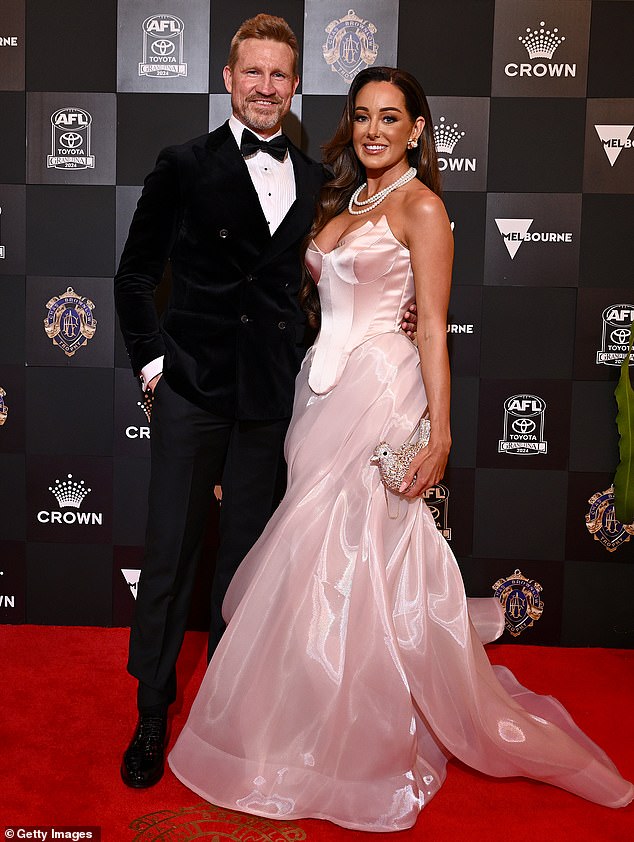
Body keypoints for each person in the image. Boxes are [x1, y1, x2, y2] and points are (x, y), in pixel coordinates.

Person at [167, 67, 633, 830]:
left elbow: (432, 329)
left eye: (391, 116)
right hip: (318, 392)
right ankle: (301, 715)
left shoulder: (421, 207)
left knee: (348, 550)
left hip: (381, 391)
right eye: (361, 116)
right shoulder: (348, 199)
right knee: (315, 553)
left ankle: (348, 738)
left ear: (418, 128)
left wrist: (439, 430)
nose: (374, 129)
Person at [114, 12, 419, 790]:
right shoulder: (182, 164)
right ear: (228, 78)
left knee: (249, 566)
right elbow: (134, 277)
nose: (265, 86)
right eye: (252, 71)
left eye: (279, 74)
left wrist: (396, 309)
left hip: (271, 404)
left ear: (294, 83)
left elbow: (330, 277)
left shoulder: (320, 183)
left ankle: (231, 706)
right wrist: (155, 371)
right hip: (192, 392)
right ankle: (152, 712)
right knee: (171, 553)